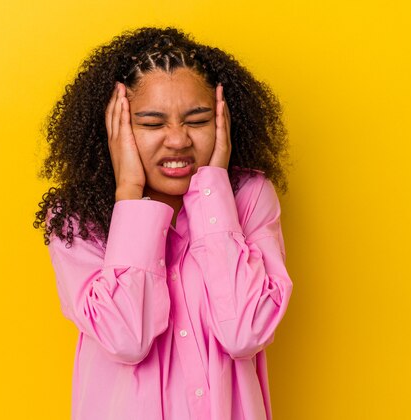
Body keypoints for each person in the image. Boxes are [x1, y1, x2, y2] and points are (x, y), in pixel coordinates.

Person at [34, 27, 293, 420]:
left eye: (198, 119)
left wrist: (213, 192)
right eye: (153, 124)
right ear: (115, 129)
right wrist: (129, 194)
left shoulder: (250, 198)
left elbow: (245, 332)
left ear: (222, 121)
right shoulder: (76, 219)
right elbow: (126, 338)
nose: (177, 140)